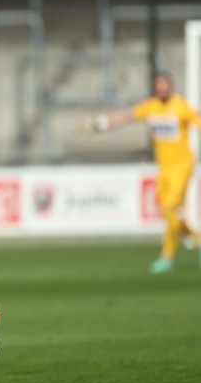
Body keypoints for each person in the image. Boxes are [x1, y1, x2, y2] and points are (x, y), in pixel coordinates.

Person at [83, 72, 201, 274]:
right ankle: (196, 239)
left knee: (169, 206)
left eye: (166, 85)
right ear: (155, 87)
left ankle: (167, 258)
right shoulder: (151, 106)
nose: (162, 89)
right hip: (163, 168)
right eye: (159, 85)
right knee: (167, 211)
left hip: (182, 166)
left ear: (171, 86)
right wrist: (102, 123)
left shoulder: (181, 106)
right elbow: (127, 116)